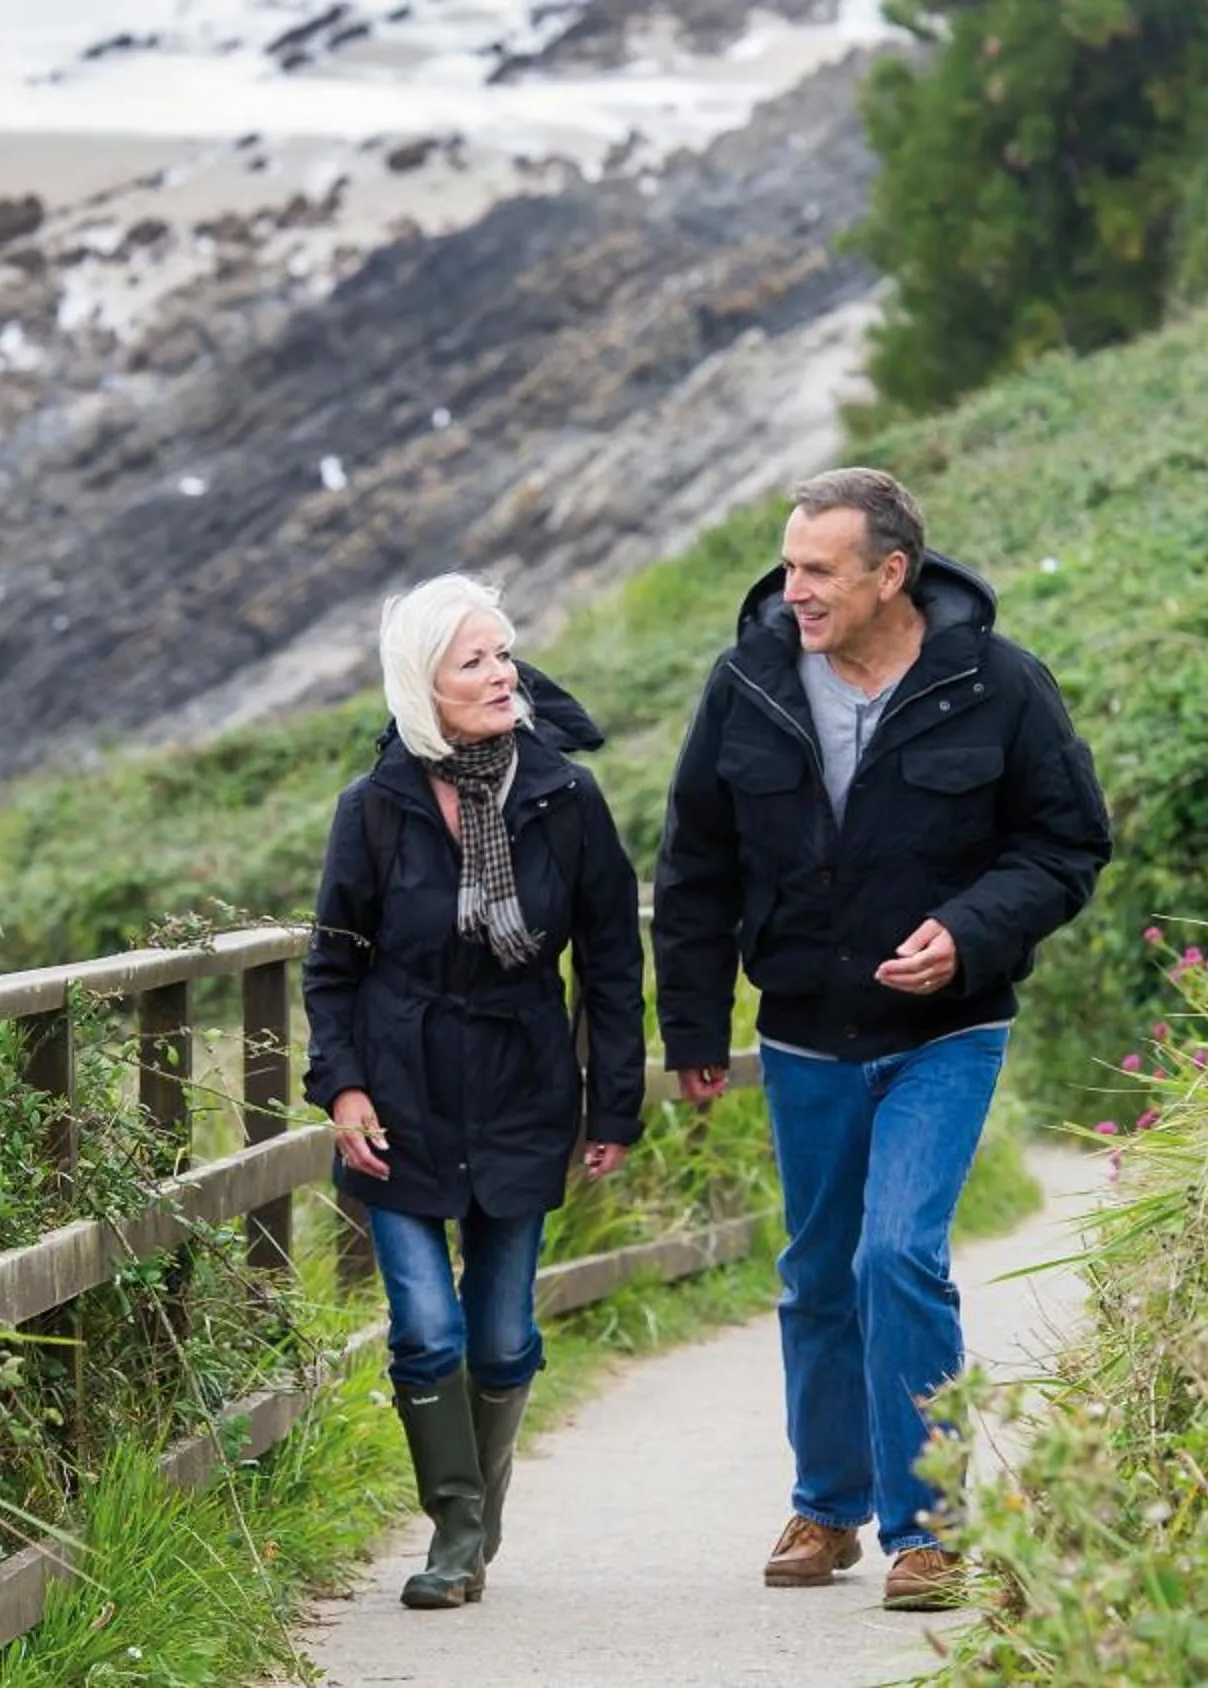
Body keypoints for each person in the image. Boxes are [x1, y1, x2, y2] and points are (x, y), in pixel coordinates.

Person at [652, 467, 1111, 1611]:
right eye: (790, 563)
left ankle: (930, 1527)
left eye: (817, 569)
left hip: (945, 1031)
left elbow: (1066, 847)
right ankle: (827, 1505)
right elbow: (695, 867)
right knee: (816, 1269)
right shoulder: (746, 684)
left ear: (889, 573)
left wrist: (965, 932)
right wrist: (697, 1027)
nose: (791, 588)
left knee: (894, 1253)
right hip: (806, 1034)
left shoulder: (999, 685)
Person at [302, 571, 647, 1611]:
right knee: (428, 1331)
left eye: (505, 654)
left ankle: (473, 1523)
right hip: (400, 1098)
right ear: (423, 683)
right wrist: (343, 1088)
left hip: (522, 1085)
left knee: (500, 1336)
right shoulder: (373, 809)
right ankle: (457, 1530)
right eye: (475, 661)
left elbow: (611, 962)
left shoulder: (565, 796)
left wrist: (614, 1105)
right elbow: (333, 964)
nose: (503, 674)